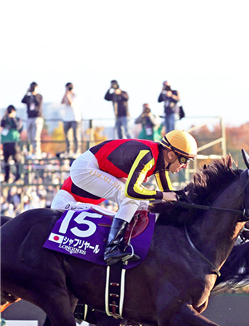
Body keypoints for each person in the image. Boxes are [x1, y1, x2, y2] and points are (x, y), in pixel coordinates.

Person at [65, 130, 198, 265]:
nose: (185, 166)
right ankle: (112, 248)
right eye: (184, 160)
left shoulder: (158, 158)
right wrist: (163, 195)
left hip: (94, 165)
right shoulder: (149, 157)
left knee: (140, 202)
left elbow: (168, 191)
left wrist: (181, 198)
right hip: (86, 168)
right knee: (131, 199)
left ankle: (128, 241)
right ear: (171, 155)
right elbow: (132, 191)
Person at [1, 106, 24, 183]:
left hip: (14, 143)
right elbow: (1, 125)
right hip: (6, 143)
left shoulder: (17, 119)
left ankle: (18, 176)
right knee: (6, 161)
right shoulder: (5, 119)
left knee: (16, 160)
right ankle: (6, 177)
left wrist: (13, 117)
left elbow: (18, 126)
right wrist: (5, 116)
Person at [21, 82, 44, 158]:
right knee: (30, 136)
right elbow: (23, 100)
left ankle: (37, 152)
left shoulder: (39, 96)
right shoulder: (29, 97)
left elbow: (38, 102)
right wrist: (27, 92)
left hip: (37, 118)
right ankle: (32, 151)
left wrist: (34, 94)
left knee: (36, 136)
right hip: (30, 117)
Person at [60, 82, 82, 157]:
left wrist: (68, 95)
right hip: (66, 118)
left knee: (76, 135)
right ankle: (69, 150)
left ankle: (77, 150)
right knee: (67, 136)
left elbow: (70, 103)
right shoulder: (66, 94)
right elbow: (62, 102)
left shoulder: (76, 95)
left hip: (75, 118)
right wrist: (65, 93)